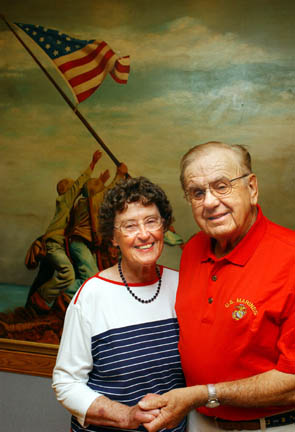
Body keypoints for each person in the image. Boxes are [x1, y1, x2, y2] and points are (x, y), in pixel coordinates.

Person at [139, 141, 295, 432]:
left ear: (252, 188)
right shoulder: (193, 249)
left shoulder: (291, 258)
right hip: (199, 422)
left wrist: (205, 393)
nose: (209, 202)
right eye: (197, 192)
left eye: (221, 186)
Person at [52, 176, 187, 432]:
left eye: (151, 221)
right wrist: (127, 416)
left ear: (164, 227)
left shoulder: (182, 286)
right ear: (113, 238)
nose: (144, 234)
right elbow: (66, 383)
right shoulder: (92, 295)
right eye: (130, 226)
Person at [26, 149, 102, 314]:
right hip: (54, 245)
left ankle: (46, 302)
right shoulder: (65, 201)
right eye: (73, 187)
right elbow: (78, 184)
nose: (77, 188)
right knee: (67, 274)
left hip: (58, 244)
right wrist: (93, 164)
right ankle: (40, 297)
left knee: (68, 276)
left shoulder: (67, 209)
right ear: (67, 191)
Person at [67, 162, 128, 297]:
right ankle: (65, 291)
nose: (101, 187)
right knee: (92, 278)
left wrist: (102, 181)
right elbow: (109, 192)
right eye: (97, 185)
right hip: (80, 243)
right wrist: (120, 174)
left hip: (86, 245)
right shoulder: (90, 201)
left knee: (98, 276)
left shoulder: (84, 203)